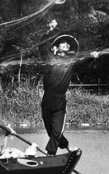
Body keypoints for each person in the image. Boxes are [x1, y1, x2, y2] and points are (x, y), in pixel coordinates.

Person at [39, 25, 98, 155]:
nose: (66, 44)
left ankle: (50, 153)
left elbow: (83, 61)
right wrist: (48, 31)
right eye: (63, 43)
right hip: (46, 100)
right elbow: (42, 46)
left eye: (67, 44)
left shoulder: (71, 64)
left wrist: (91, 56)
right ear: (56, 47)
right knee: (51, 132)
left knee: (56, 131)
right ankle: (67, 145)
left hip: (59, 102)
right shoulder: (49, 59)